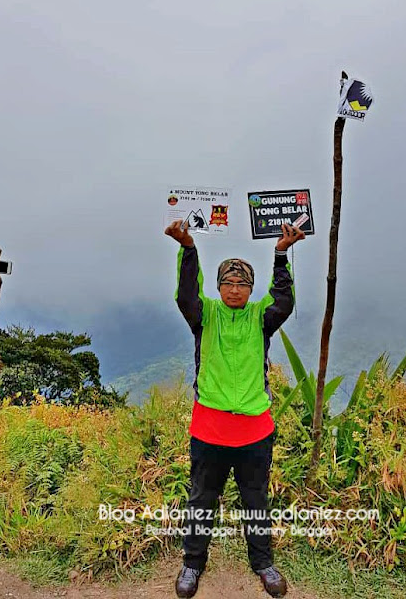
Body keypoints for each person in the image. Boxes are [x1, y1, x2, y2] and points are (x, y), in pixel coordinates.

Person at [164, 219, 305, 598]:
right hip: (209, 427)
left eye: (243, 284)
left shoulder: (262, 318)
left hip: (254, 430)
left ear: (251, 288)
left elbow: (284, 301)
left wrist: (280, 255)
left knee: (256, 499)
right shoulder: (204, 315)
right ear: (218, 285)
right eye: (228, 282)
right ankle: (192, 565)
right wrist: (188, 248)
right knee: (201, 499)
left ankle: (264, 564)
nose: (235, 289)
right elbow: (185, 295)